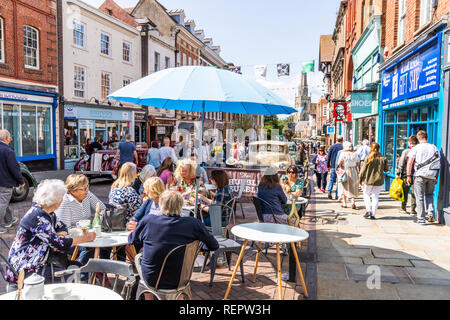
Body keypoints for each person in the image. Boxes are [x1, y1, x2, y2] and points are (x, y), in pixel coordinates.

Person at [128, 190, 219, 299]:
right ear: (181, 205)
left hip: (153, 278)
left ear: (161, 205)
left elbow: (131, 240)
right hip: (180, 279)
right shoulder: (193, 224)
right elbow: (214, 245)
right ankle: (178, 297)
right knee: (178, 266)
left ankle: (149, 297)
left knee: (143, 265)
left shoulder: (149, 221)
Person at [5, 179, 96, 283]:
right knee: (76, 276)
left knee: (80, 268)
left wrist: (60, 236)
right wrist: (85, 238)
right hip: (25, 268)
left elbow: (62, 227)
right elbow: (59, 245)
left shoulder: (47, 212)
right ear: (57, 201)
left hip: (41, 260)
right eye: (61, 198)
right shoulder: (38, 217)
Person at [406, 130, 440, 224]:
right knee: (429, 195)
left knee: (419, 197)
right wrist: (436, 176)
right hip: (432, 175)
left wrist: (408, 175)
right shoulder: (434, 147)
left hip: (419, 175)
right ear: (427, 137)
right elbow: (438, 162)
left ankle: (421, 219)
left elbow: (410, 163)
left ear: (418, 138)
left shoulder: (416, 148)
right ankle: (430, 215)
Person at [0, 130, 25, 234]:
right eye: (10, 137)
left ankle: (9, 219)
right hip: (4, 182)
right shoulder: (8, 151)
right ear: (6, 138)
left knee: (3, 201)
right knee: (2, 203)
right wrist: (21, 181)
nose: (10, 139)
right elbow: (14, 168)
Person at [359, 142, 388, 220]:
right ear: (379, 149)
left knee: (366, 195)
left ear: (371, 148)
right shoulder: (383, 158)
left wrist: (360, 179)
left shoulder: (368, 158)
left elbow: (363, 170)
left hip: (368, 180)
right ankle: (373, 214)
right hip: (379, 180)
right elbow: (386, 169)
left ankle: (368, 210)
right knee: (375, 197)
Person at [396, 135, 418, 215]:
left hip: (406, 174)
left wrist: (398, 172)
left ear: (410, 142)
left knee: (404, 192)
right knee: (414, 193)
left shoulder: (406, 151)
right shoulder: (419, 150)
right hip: (416, 175)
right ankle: (413, 210)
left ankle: (403, 208)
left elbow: (401, 163)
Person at [337, 141, 360, 209]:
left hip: (345, 171)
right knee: (353, 186)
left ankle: (344, 203)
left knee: (344, 186)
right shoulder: (355, 154)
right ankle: (353, 202)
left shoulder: (343, 154)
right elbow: (358, 163)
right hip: (353, 171)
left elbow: (339, 163)